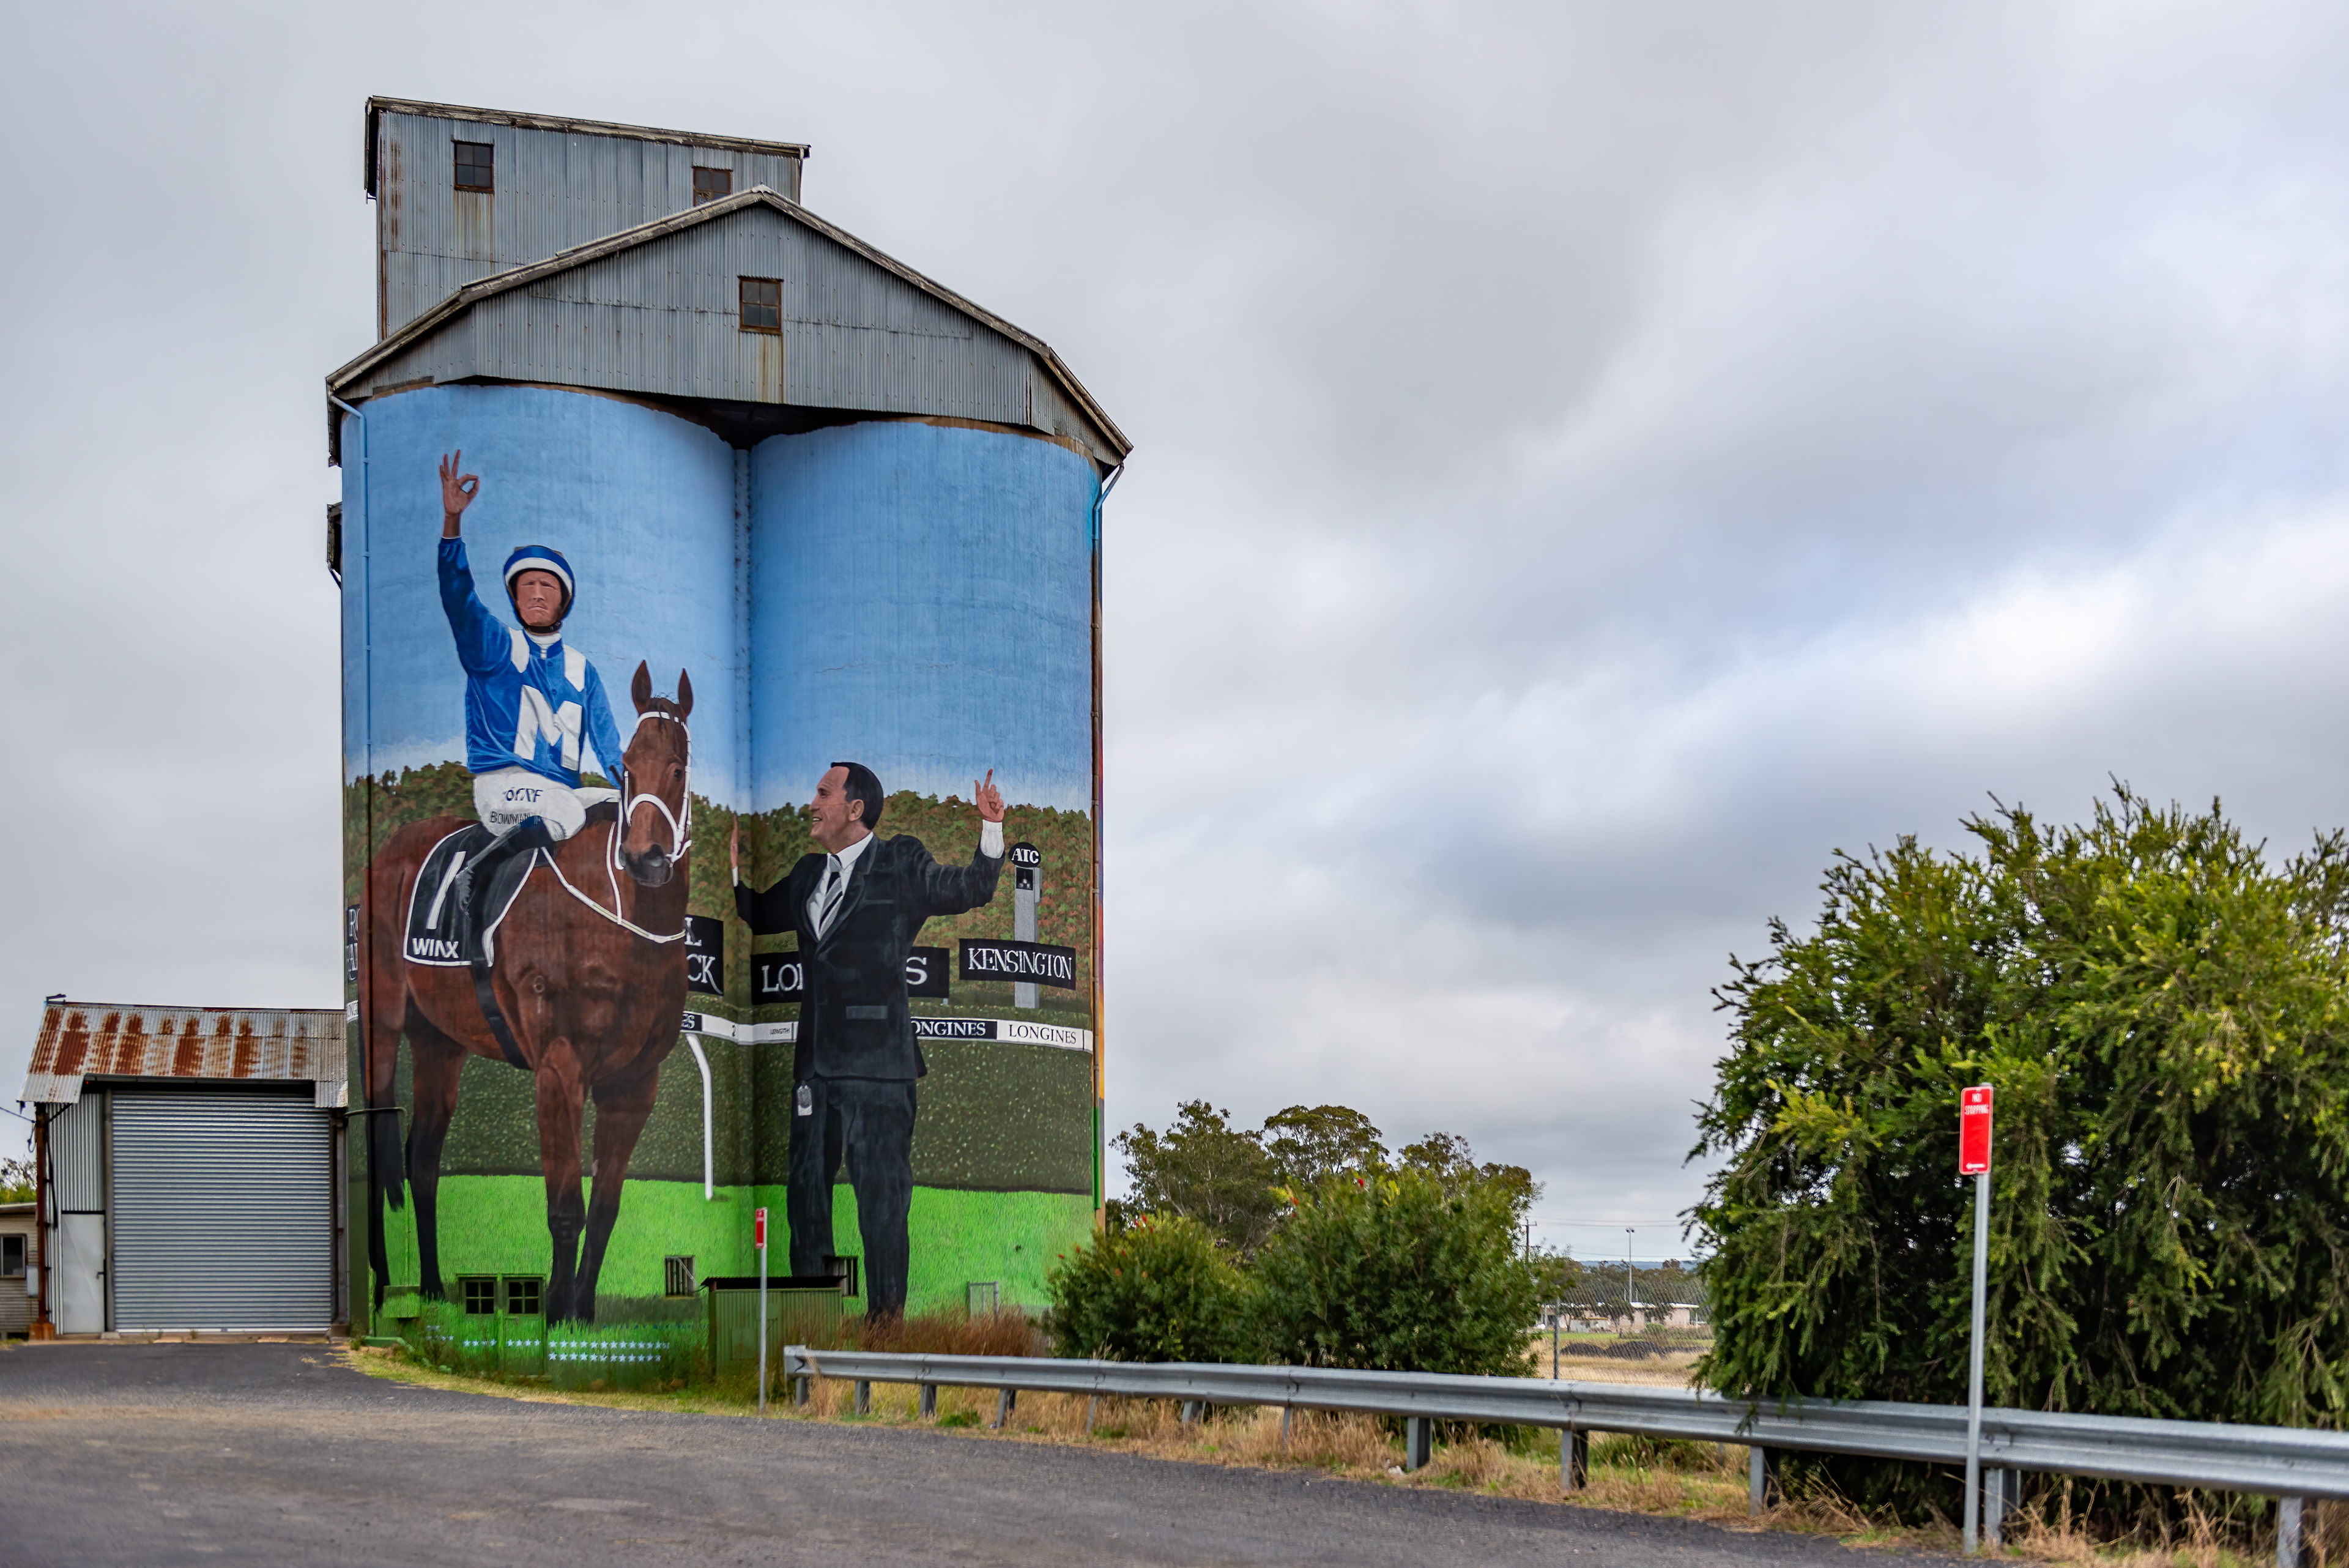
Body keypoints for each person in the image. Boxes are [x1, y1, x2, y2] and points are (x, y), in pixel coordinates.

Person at [732, 762, 1005, 1318]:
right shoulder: (810, 874)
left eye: (823, 792)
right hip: (815, 1073)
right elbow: (760, 914)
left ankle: (886, 1335)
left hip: (880, 1074)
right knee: (805, 1203)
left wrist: (991, 828)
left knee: (882, 1210)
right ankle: (809, 1330)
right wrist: (732, 871)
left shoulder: (899, 861)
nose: (812, 801)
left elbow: (968, 888)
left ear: (854, 809)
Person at [435, 451, 629, 959]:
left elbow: (610, 748)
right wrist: (453, 524)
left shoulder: (583, 670)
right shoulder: (495, 646)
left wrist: (632, 790)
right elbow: (460, 601)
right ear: (515, 599)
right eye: (526, 587)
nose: (536, 595)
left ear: (563, 601)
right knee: (566, 809)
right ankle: (475, 878)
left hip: (559, 792)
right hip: (503, 788)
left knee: (610, 809)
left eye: (546, 586)